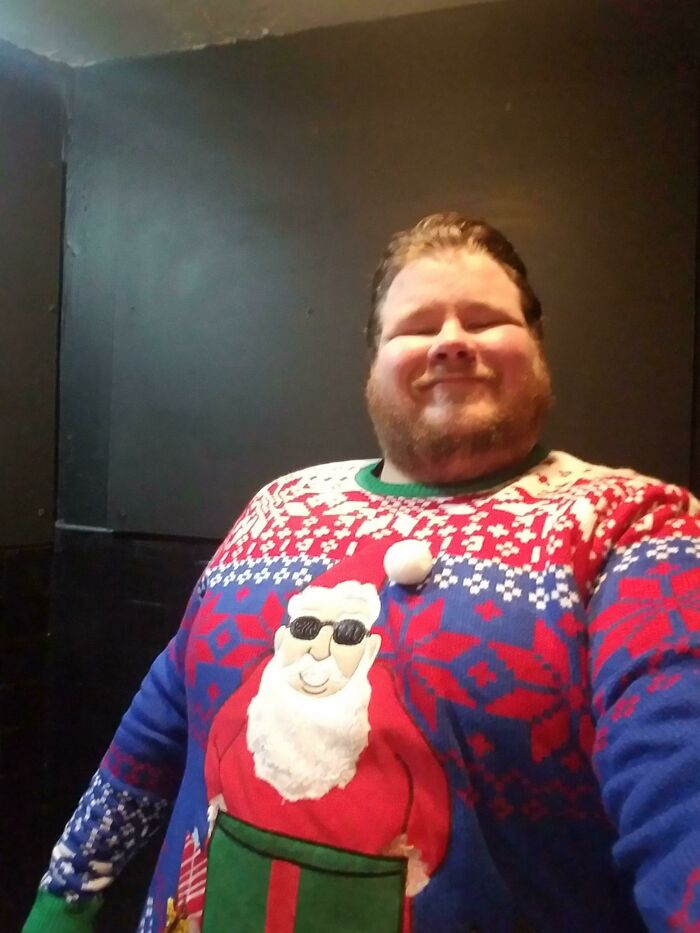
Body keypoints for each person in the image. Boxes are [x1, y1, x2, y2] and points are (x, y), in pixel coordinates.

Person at [23, 213, 700, 932]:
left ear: (536, 346)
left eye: (484, 319)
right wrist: (64, 898)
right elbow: (162, 718)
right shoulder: (280, 502)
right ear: (374, 363)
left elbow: (678, 768)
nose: (451, 341)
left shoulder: (636, 524)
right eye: (417, 326)